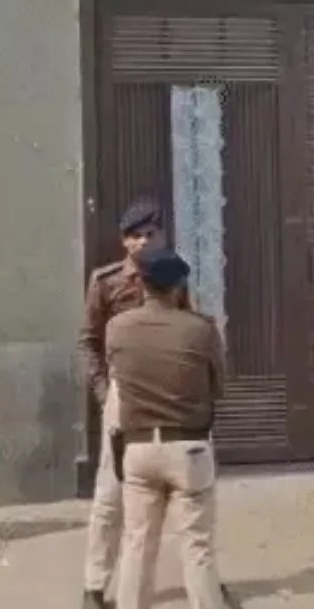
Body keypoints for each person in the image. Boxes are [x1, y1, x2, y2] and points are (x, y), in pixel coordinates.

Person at [107, 247, 227, 609]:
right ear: (179, 286)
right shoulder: (201, 329)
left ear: (142, 285)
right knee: (197, 548)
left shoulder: (118, 328)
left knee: (137, 545)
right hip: (189, 448)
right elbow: (218, 389)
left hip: (138, 448)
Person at [79, 198, 163, 609]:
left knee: (188, 495)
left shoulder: (175, 276)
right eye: (135, 236)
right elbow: (88, 343)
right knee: (110, 495)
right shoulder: (107, 282)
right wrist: (103, 392)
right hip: (124, 396)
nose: (143, 242)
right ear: (124, 241)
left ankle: (205, 581)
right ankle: (95, 586)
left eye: (150, 234)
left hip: (168, 397)